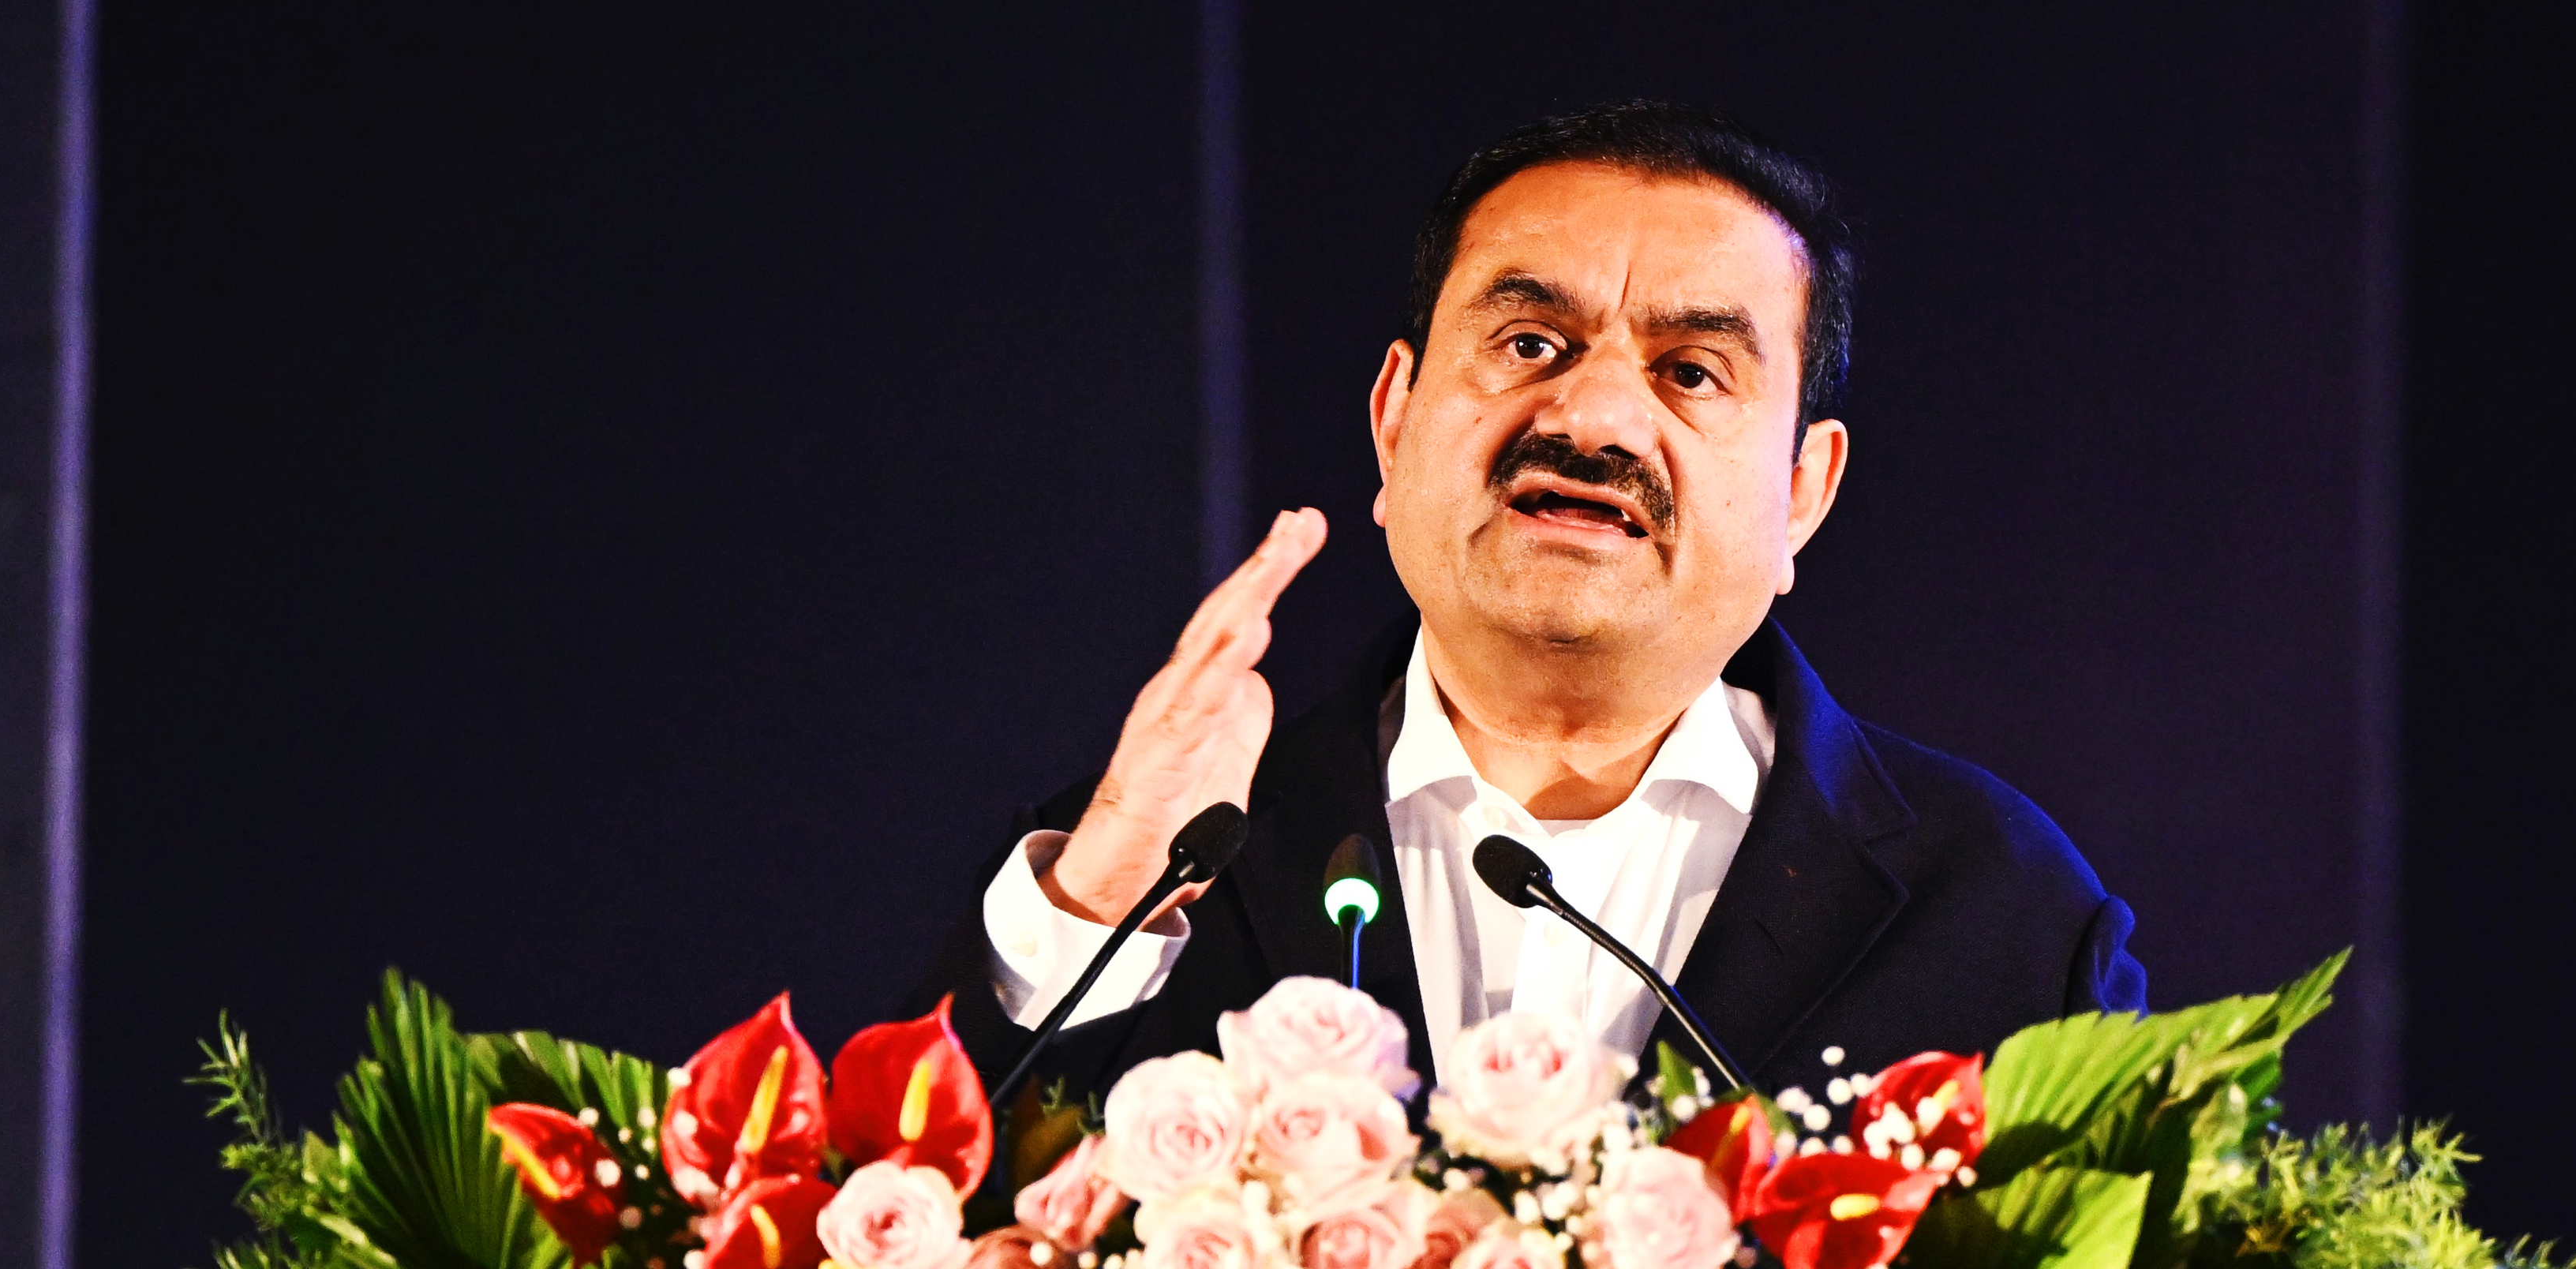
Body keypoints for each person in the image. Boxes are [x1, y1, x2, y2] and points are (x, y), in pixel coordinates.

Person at [912, 100, 2144, 1113]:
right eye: (1530, 344)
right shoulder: (1163, 862)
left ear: (1804, 494)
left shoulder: (2002, 914)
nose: (1593, 419)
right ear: (1394, 421)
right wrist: (1102, 891)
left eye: (1691, 371)